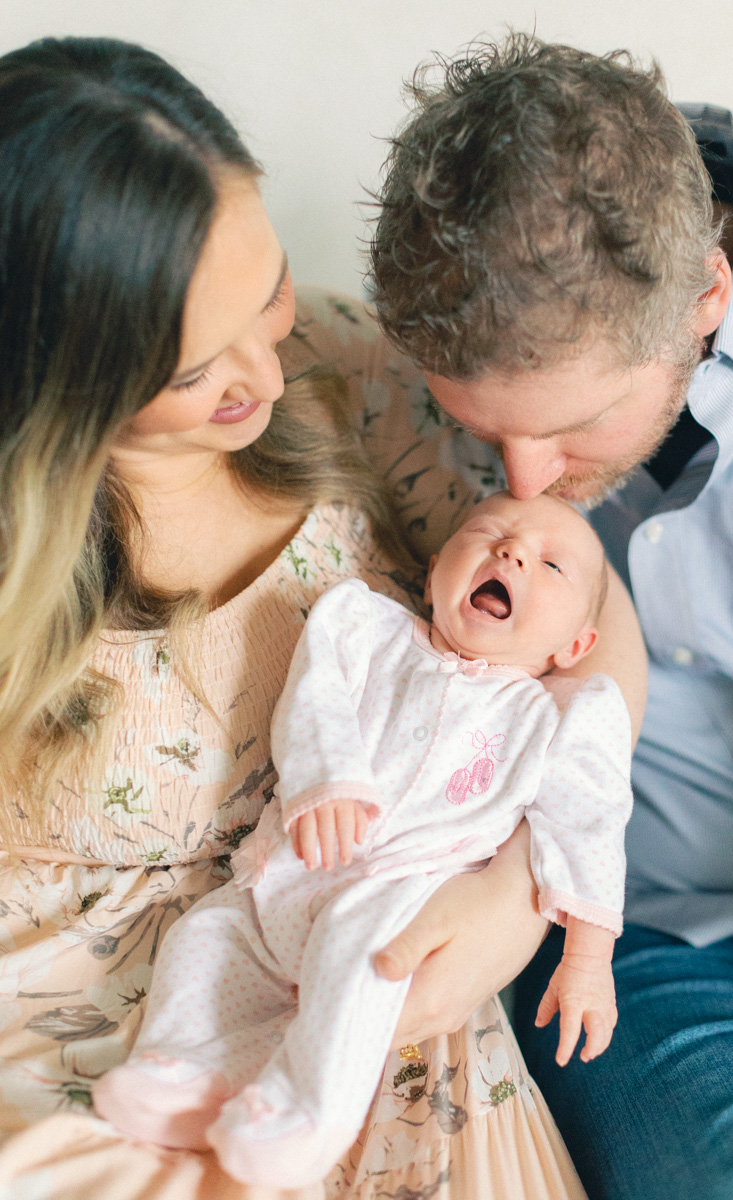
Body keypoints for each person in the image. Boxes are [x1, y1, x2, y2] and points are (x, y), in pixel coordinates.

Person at [0, 32, 620, 1200]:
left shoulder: (344, 369)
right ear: (54, 378)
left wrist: (521, 895)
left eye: (266, 287)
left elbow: (584, 625)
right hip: (72, 1042)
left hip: (387, 982)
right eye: (194, 374)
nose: (267, 375)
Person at [367, 30, 733, 1200]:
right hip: (645, 936)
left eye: (570, 429)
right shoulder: (473, 347)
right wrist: (520, 891)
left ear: (706, 293)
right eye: (483, 427)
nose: (523, 479)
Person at [94, 491, 630, 1188]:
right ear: (436, 570)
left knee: (361, 956)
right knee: (207, 938)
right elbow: (317, 699)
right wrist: (328, 779)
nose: (512, 551)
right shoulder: (362, 625)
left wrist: (588, 958)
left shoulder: (555, 715)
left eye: (552, 565)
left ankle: (306, 1111)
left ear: (576, 646)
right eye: (487, 532)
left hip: (396, 900)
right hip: (284, 879)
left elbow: (587, 822)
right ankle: (185, 1072)